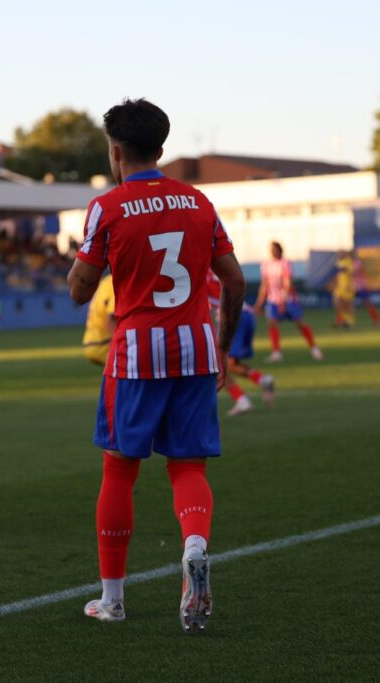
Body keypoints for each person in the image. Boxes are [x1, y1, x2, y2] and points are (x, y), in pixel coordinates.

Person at [67, 98, 245, 632]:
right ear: (162, 149)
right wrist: (224, 347)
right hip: (195, 348)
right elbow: (234, 281)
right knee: (188, 467)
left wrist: (86, 266)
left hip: (135, 356)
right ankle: (193, 545)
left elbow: (79, 290)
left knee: (119, 471)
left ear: (116, 151)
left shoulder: (108, 206)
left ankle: (113, 600)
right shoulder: (197, 202)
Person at [207, 271, 274, 415]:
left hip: (230, 316)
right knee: (231, 363)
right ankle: (263, 380)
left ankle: (241, 399)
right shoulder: (215, 265)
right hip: (246, 313)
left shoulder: (197, 271)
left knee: (217, 365)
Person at [255, 241, 323, 362]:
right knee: (272, 323)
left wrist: (283, 300)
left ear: (280, 250)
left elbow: (287, 282)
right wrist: (259, 303)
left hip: (288, 299)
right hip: (273, 300)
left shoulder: (285, 263)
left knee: (299, 323)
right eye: (271, 249)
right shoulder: (266, 264)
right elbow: (264, 285)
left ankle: (314, 348)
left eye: (275, 249)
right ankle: (276, 352)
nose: (273, 251)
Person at [83, 273, 116, 365]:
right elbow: (112, 318)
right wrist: (119, 346)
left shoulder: (106, 281)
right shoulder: (115, 283)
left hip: (91, 341)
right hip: (104, 344)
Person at [329, 250, 355, 328]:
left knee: (348, 303)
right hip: (340, 286)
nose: (339, 255)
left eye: (340, 253)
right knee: (336, 301)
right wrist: (333, 283)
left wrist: (350, 286)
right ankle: (345, 320)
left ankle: (349, 321)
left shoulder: (348, 261)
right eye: (338, 253)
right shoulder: (339, 262)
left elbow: (350, 273)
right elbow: (338, 275)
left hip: (347, 286)